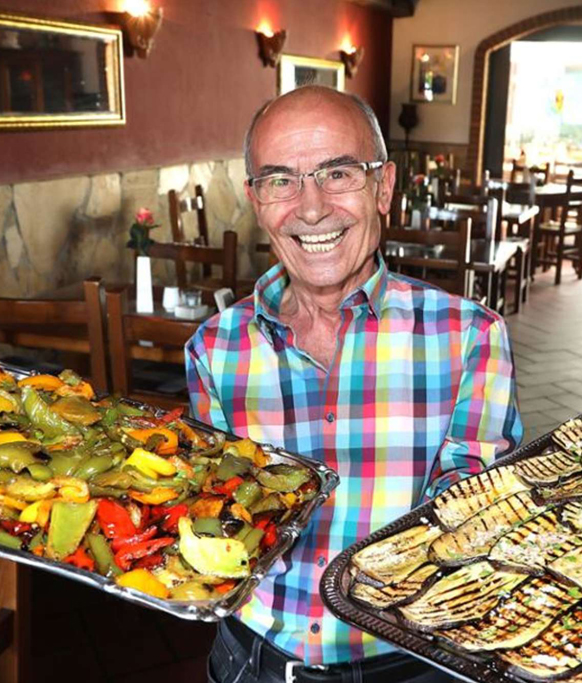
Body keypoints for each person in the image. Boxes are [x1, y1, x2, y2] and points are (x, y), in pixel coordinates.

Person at [185, 85, 523, 683]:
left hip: (412, 663)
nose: (311, 208)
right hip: (253, 659)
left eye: (338, 172)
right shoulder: (214, 349)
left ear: (384, 187)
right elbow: (220, 520)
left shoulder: (472, 337)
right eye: (281, 180)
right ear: (256, 200)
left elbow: (479, 523)